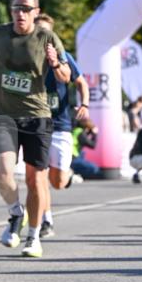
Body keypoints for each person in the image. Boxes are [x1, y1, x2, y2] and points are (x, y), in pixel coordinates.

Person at [0, 0, 70, 258]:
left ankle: (33, 236)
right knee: (3, 173)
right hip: (4, 116)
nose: (20, 13)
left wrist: (55, 64)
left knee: (35, 179)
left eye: (26, 9)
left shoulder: (47, 37)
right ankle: (16, 213)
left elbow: (66, 75)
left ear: (36, 12)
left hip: (37, 117)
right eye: (16, 8)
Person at [34, 13, 90, 236]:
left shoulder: (63, 56)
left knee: (57, 181)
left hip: (61, 125)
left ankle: (67, 173)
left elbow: (79, 82)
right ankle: (46, 220)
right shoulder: (25, 57)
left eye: (46, 33)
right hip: (36, 124)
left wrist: (84, 103)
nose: (42, 37)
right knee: (40, 175)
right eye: (38, 32)